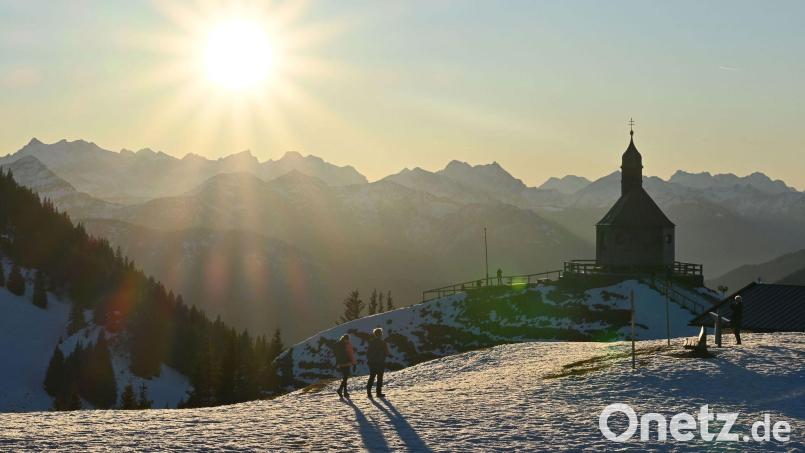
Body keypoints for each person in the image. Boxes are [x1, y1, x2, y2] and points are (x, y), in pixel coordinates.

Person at [366, 328, 390, 398]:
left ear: (375, 334)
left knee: (372, 377)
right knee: (379, 378)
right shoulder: (383, 342)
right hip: (380, 362)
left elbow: (367, 353)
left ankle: (369, 393)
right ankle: (378, 393)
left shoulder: (371, 342)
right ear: (381, 334)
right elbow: (387, 353)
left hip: (372, 363)